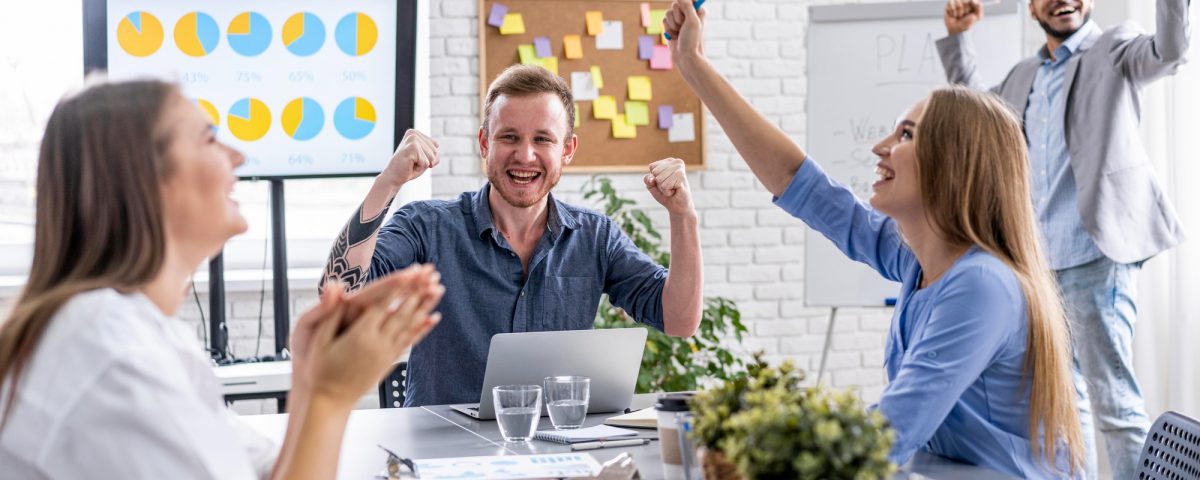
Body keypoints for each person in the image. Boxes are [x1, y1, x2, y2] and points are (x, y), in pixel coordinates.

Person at [663, 0, 1084, 477]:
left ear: (954, 164)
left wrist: (764, 449)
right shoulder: (919, 264)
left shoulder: (982, 285)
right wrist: (694, 66)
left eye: (905, 134)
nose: (879, 147)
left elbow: (888, 434)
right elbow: (800, 183)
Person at [0, 79, 445, 479]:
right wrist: (333, 395)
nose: (238, 155)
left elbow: (274, 472)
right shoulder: (107, 355)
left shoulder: (135, 331)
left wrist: (311, 380)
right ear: (144, 179)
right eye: (210, 139)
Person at [319, 64, 703, 407]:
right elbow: (339, 292)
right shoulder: (427, 226)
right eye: (509, 137)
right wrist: (388, 181)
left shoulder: (595, 237)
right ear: (485, 143)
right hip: (441, 454)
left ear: (567, 149)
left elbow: (681, 320)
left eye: (542, 139)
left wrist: (683, 216)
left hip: (553, 450)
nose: (525, 155)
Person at [939, 0, 1190, 476]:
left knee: (1114, 402)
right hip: (1039, 264)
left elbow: (1172, 52)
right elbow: (971, 116)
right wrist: (959, 39)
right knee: (1063, 408)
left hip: (1096, 254)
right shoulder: (1021, 77)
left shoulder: (1113, 49)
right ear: (1031, 6)